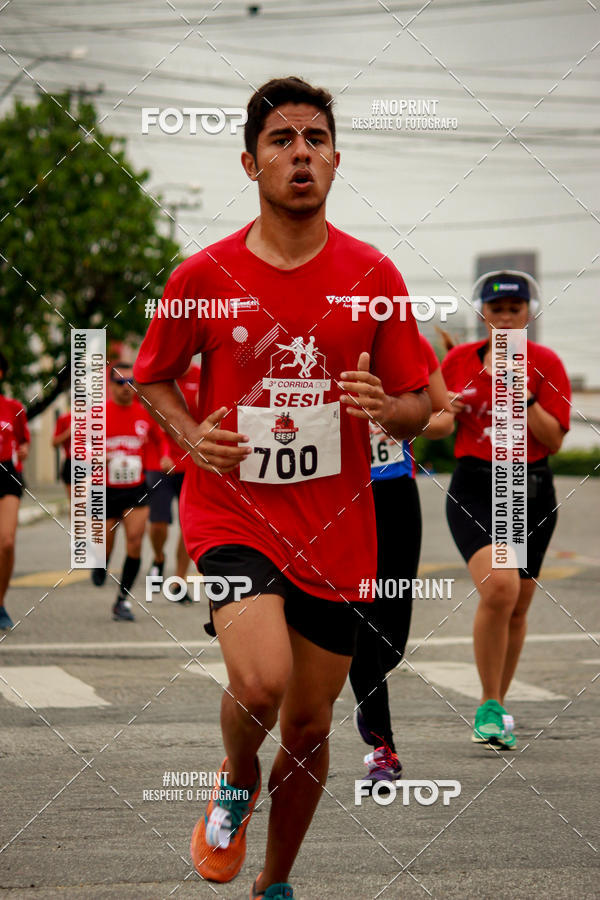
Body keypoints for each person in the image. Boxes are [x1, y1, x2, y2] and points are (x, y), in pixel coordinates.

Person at [133, 76, 430, 900]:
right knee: (259, 684)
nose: (299, 152)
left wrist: (388, 409)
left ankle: (274, 881)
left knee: (306, 723)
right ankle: (235, 774)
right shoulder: (203, 274)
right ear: (250, 161)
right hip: (233, 510)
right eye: (280, 140)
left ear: (336, 159)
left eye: (314, 138)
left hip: (338, 527)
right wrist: (197, 439)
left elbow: (419, 406)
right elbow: (151, 377)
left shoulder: (374, 275)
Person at [442, 271, 571, 750]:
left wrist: (525, 389)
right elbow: (434, 425)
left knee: (516, 605)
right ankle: (488, 705)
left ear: (528, 313)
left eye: (514, 309)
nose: (505, 317)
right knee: (500, 585)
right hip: (476, 485)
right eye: (496, 310)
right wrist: (445, 410)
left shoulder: (545, 363)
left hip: (528, 487)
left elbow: (554, 438)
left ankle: (496, 702)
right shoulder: (458, 361)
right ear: (483, 313)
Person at [350, 333, 454, 784]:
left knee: (391, 635)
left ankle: (362, 687)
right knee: (359, 617)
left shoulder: (413, 346)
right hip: (339, 492)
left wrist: (396, 414)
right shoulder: (323, 337)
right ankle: (382, 745)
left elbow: (444, 419)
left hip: (394, 489)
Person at [92, 363, 169, 622]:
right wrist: (98, 457)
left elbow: (160, 439)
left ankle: (122, 600)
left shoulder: (143, 413)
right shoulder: (98, 414)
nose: (126, 388)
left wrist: (166, 457)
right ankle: (99, 563)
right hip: (105, 489)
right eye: (120, 383)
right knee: (104, 545)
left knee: (135, 541)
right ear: (111, 384)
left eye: (130, 383)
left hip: (135, 488)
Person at [146, 362, 200, 601]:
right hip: (162, 463)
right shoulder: (159, 374)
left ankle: (179, 581)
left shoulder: (203, 376)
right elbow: (152, 422)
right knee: (158, 525)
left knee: (188, 526)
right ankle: (158, 557)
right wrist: (164, 453)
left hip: (193, 464)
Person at [0, 352, 30, 632]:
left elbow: (24, 442)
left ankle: (0, 602)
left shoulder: (12, 407)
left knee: (6, 542)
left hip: (6, 474)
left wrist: (24, 450)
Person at [52, 410, 72, 499]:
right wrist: (69, 432)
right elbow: (54, 443)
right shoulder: (64, 419)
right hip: (71, 462)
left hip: (89, 463)